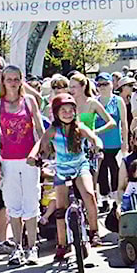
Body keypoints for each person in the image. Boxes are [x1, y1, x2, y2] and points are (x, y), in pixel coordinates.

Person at [33, 93, 103, 259]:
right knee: (60, 208)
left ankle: (94, 232)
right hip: (62, 169)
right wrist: (36, 157)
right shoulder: (52, 130)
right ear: (56, 113)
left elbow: (94, 138)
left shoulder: (80, 127)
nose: (67, 113)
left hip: (80, 166)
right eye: (63, 110)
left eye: (71, 110)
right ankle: (62, 244)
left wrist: (97, 147)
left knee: (89, 195)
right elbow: (40, 146)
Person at [0, 64, 45, 267]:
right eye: (9, 79)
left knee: (31, 202)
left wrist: (36, 152)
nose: (13, 83)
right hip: (8, 160)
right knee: (13, 204)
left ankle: (32, 247)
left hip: (29, 159)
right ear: (3, 81)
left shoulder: (29, 102)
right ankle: (17, 248)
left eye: (16, 79)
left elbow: (40, 130)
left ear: (21, 80)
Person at [94, 72, 128, 213]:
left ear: (111, 85)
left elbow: (124, 123)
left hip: (114, 143)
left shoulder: (118, 101)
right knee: (101, 172)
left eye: (105, 84)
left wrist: (125, 141)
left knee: (115, 170)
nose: (103, 87)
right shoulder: (95, 101)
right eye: (100, 84)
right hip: (99, 143)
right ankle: (104, 199)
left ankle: (115, 199)